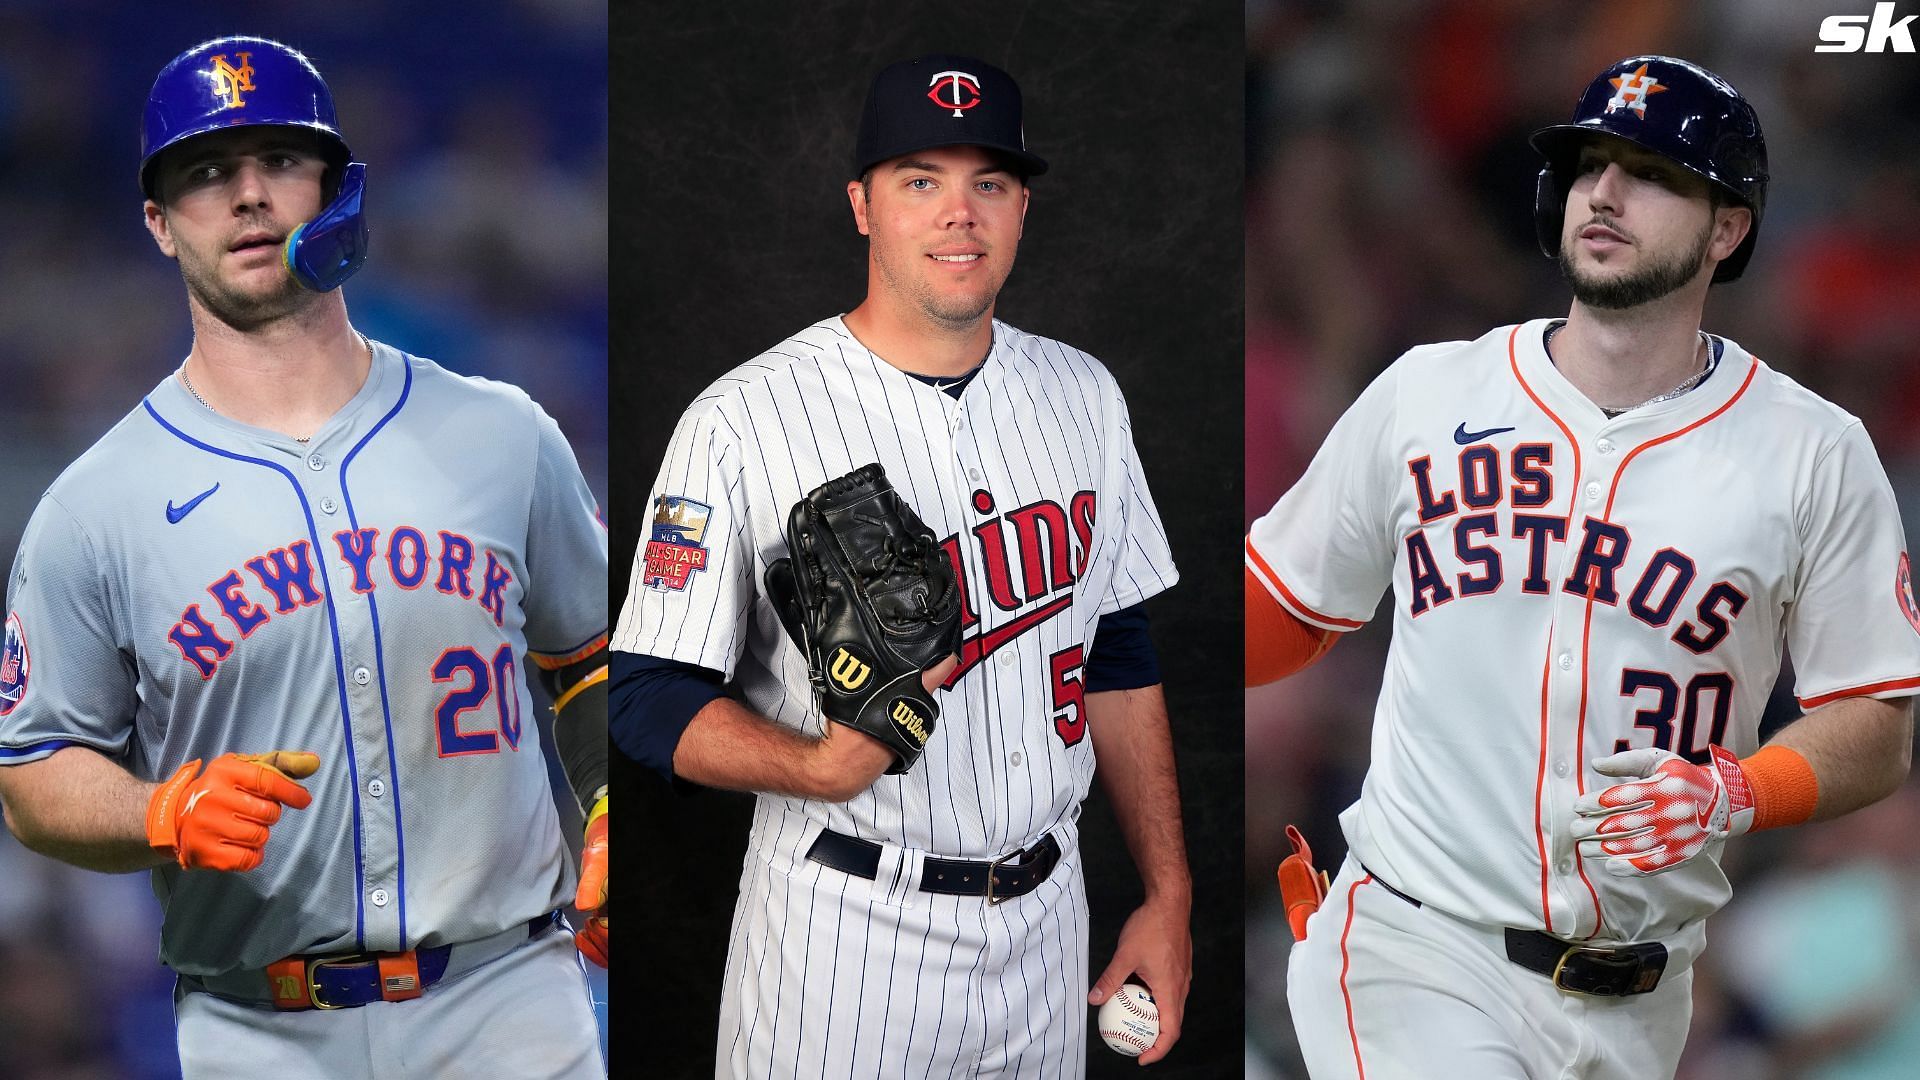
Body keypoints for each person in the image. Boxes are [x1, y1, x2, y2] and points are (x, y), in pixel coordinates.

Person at [1248, 55, 1920, 1079]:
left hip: (1641, 1001)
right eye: (1589, 163)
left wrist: (1739, 789)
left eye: (1651, 173)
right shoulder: (1429, 394)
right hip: (1416, 949)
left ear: (1727, 227)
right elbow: (1284, 606)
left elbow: (1876, 723)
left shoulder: (1812, 452)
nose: (1603, 192)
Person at [0, 36, 609, 1078]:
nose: (246, 197)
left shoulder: (503, 434)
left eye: (278, 161)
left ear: (335, 189)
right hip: (257, 1029)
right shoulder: (95, 506)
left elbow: (594, 661)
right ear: (157, 222)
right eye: (203, 174)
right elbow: (33, 774)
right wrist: (156, 809)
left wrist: (612, 800)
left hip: (511, 1003)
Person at [612, 54, 1192, 1075]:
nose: (958, 215)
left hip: (1049, 930)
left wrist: (1169, 893)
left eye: (989, 183)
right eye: (920, 180)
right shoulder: (743, 419)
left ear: (1021, 209)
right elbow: (647, 694)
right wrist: (814, 767)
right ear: (862, 206)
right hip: (846, 928)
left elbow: (1117, 646)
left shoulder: (1085, 395)